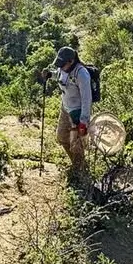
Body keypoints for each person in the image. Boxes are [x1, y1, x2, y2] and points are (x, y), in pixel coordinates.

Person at [43, 46, 92, 176]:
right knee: (61, 137)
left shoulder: (81, 74)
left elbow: (87, 99)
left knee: (76, 144)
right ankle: (76, 164)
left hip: (77, 113)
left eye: (62, 64)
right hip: (65, 108)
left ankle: (80, 171)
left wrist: (83, 122)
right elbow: (60, 75)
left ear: (71, 61)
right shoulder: (64, 68)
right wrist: (50, 75)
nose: (60, 67)